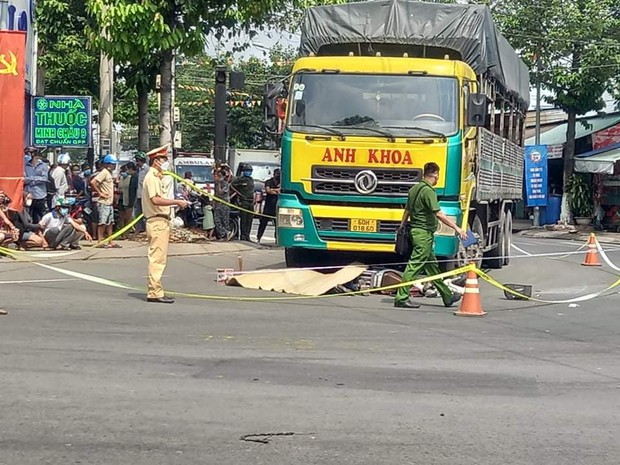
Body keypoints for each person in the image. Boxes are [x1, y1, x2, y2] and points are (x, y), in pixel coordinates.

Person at [394, 162, 467, 309]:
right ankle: (401, 297)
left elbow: (407, 210)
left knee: (432, 267)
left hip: (416, 231)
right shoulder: (428, 191)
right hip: (423, 234)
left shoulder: (414, 189)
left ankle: (447, 296)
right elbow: (438, 213)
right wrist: (457, 228)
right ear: (434, 174)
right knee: (414, 266)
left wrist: (402, 227)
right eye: (438, 175)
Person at [142, 145, 190, 304]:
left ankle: (156, 290)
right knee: (157, 259)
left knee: (159, 258)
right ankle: (154, 292)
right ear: (156, 161)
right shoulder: (152, 177)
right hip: (157, 220)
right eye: (163, 159)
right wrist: (176, 202)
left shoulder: (158, 176)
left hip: (161, 220)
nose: (165, 162)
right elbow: (155, 199)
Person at [90, 154, 120, 248]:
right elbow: (93, 182)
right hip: (103, 202)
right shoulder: (104, 172)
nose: (114, 166)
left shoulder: (109, 173)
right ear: (108, 164)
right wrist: (100, 193)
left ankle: (110, 240)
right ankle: (100, 241)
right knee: (102, 222)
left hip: (109, 202)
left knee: (110, 222)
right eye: (112, 164)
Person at [231, 163, 255, 242]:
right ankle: (243, 236)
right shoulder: (240, 179)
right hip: (243, 201)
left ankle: (247, 236)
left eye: (249, 171)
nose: (248, 172)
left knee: (250, 220)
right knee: (244, 220)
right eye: (246, 171)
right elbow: (231, 185)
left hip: (251, 202)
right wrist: (239, 193)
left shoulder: (251, 180)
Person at [24, 149, 50, 223]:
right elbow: (24, 179)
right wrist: (36, 178)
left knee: (41, 215)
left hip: (40, 194)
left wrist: (31, 180)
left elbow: (44, 179)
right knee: (28, 215)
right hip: (28, 195)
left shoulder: (43, 166)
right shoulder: (25, 166)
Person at [257, 168, 280, 243]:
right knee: (263, 223)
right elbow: (268, 190)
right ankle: (258, 238)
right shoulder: (269, 181)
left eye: (279, 174)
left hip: (277, 206)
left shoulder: (282, 182)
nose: (278, 175)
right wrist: (276, 191)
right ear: (274, 174)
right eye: (277, 174)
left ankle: (277, 239)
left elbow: (282, 190)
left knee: (278, 225)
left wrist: (274, 190)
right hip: (268, 206)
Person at [213, 168, 231, 241]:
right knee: (217, 220)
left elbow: (221, 192)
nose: (216, 177)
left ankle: (225, 234)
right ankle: (223, 234)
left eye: (219, 176)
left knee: (224, 220)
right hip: (218, 204)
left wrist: (219, 183)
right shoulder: (216, 184)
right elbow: (215, 195)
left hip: (224, 204)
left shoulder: (225, 184)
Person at [134, 152, 148, 233]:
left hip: (145, 196)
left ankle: (146, 230)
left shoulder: (147, 170)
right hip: (138, 196)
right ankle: (139, 229)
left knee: (146, 214)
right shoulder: (138, 170)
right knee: (138, 213)